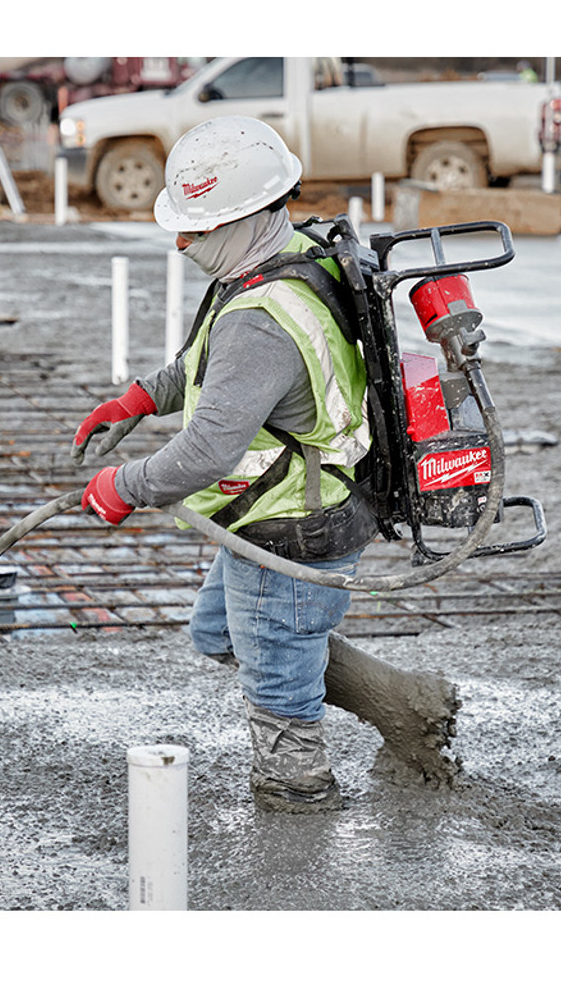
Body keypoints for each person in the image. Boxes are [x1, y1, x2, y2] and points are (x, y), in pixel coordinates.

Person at [73, 116, 376, 813]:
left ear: (244, 217)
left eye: (194, 229)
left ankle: (297, 794)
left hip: (288, 526)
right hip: (291, 507)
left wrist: (122, 487)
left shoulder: (259, 316)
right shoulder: (283, 258)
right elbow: (210, 364)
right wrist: (143, 396)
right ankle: (380, 691)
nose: (181, 243)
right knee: (217, 633)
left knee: (275, 682)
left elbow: (208, 452)